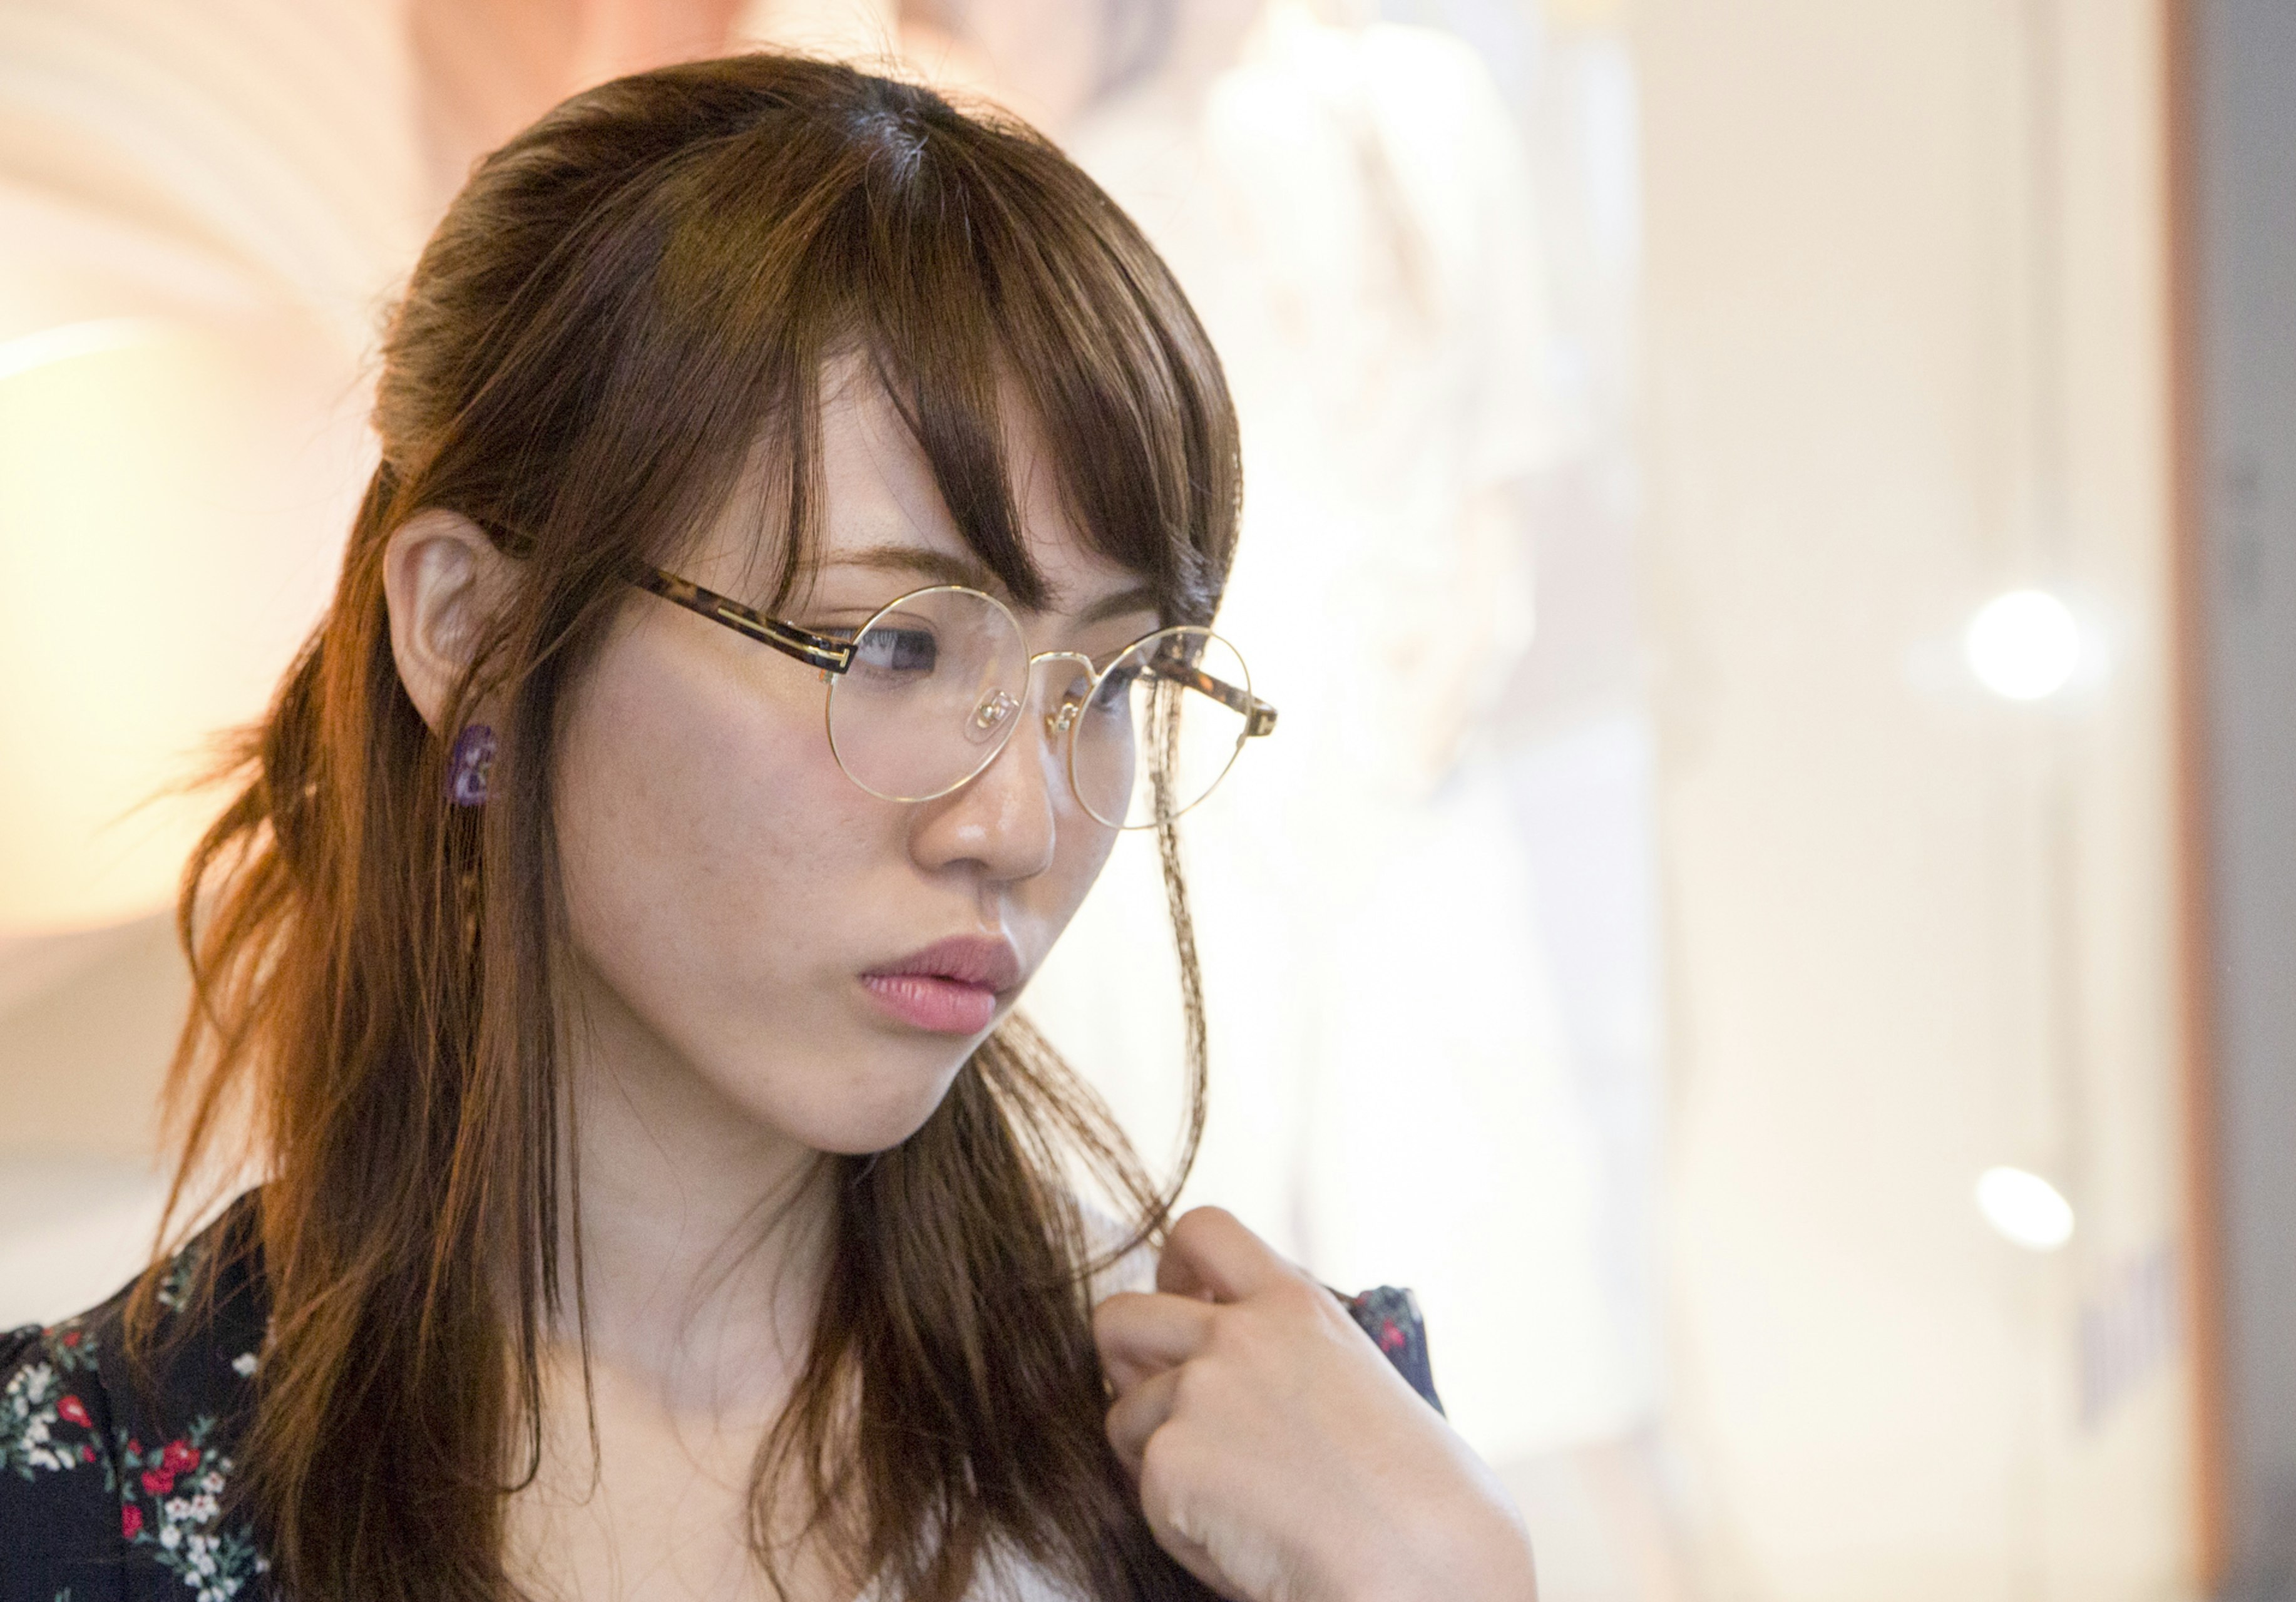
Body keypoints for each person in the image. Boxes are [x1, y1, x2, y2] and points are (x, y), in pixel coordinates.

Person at [0, 55, 1533, 1602]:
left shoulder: (1288, 1473)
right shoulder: (76, 1500)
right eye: (893, 646)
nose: (1016, 819)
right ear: (472, 631)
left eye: (1115, 676)